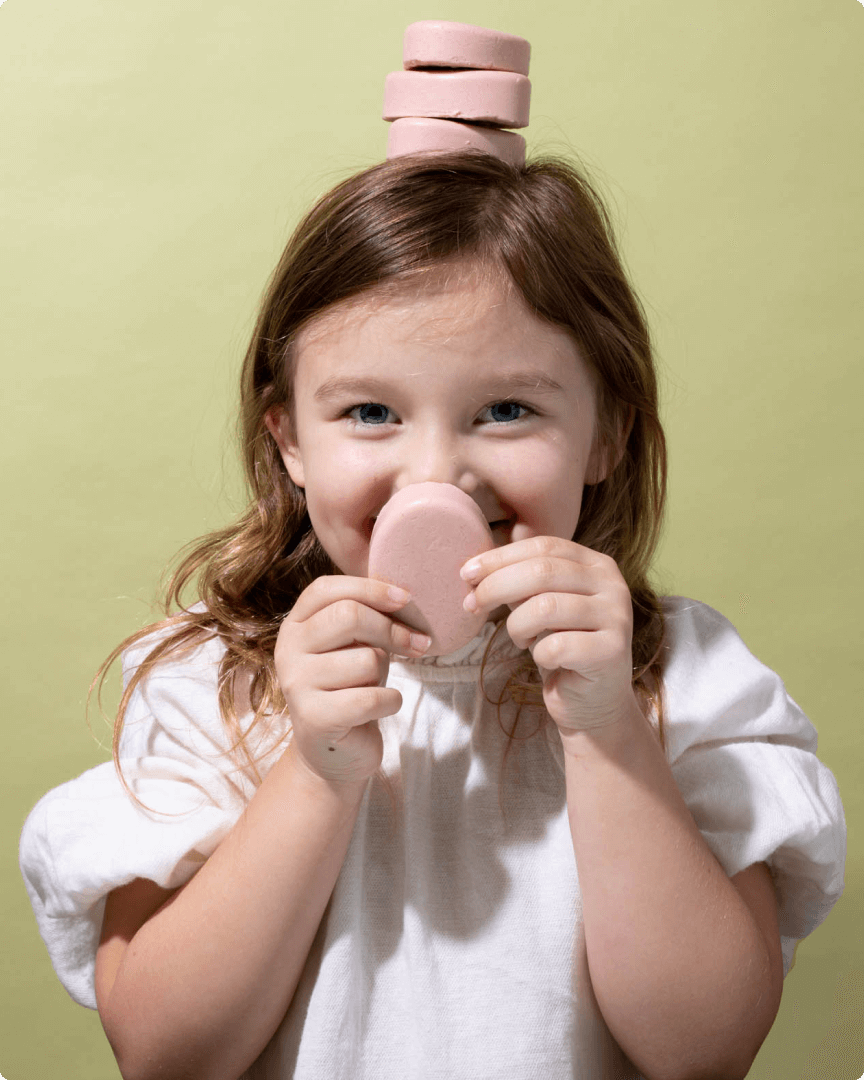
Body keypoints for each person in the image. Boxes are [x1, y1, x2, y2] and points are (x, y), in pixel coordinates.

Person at [19, 150, 845, 1080]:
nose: (435, 475)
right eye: (371, 412)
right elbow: (166, 1053)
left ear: (607, 430)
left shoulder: (679, 680)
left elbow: (706, 1049)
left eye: (505, 408)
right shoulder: (211, 688)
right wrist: (316, 772)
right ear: (289, 438)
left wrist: (609, 732)